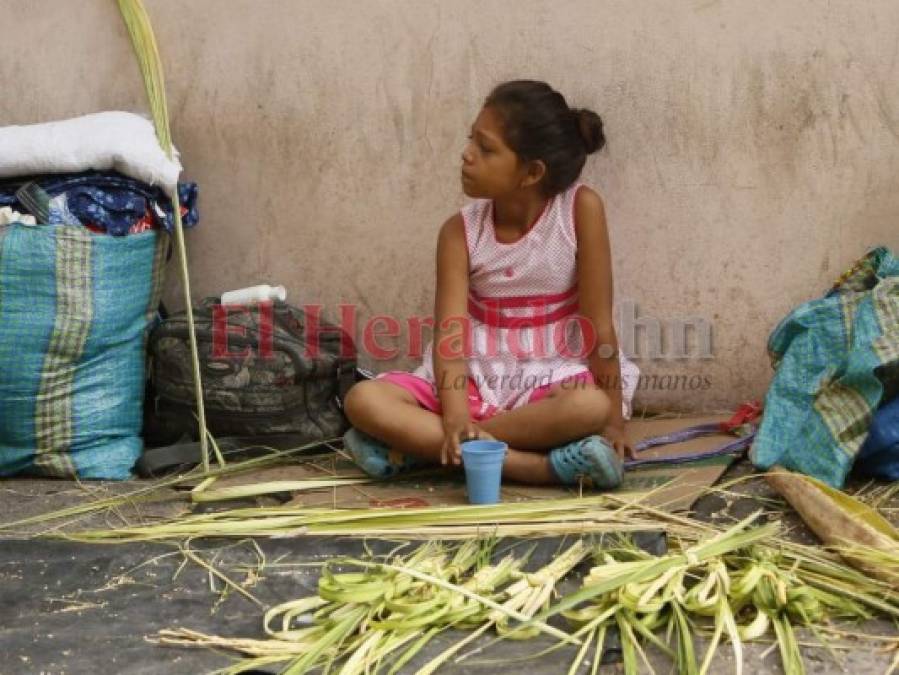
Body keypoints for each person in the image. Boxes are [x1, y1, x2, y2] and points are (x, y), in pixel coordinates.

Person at [342, 80, 639, 488]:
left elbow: (598, 326)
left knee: (589, 407)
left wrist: (616, 422)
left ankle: (423, 450)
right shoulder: (458, 233)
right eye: (471, 141)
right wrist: (457, 415)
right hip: (473, 375)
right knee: (364, 400)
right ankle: (536, 467)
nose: (466, 155)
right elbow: (450, 336)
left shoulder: (579, 210)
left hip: (550, 371)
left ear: (532, 172)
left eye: (486, 148)